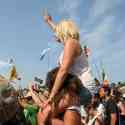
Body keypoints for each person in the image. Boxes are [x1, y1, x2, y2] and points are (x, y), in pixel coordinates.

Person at [43, 13, 97, 107]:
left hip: (84, 88)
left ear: (63, 33)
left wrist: (52, 96)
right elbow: (57, 30)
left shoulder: (71, 43)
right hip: (76, 87)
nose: (55, 36)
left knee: (50, 111)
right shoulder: (71, 43)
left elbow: (63, 71)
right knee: (49, 112)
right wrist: (49, 21)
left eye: (58, 34)